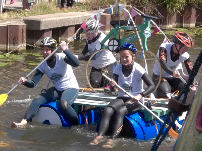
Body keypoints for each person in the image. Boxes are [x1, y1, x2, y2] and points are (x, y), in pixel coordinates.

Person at [89, 43, 155, 148]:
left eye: (126, 57)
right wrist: (112, 85)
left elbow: (152, 85)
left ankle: (112, 139)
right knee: (108, 110)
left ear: (133, 56)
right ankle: (100, 136)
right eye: (122, 57)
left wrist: (140, 95)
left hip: (135, 100)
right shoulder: (118, 68)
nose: (124, 59)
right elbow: (112, 88)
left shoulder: (138, 69)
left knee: (121, 111)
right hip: (122, 97)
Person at [11, 37, 80, 128]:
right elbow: (33, 84)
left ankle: (76, 124)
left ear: (53, 50)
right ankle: (24, 121)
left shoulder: (62, 57)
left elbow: (76, 63)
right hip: (57, 89)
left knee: (63, 103)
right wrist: (25, 82)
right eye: (42, 49)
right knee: (37, 100)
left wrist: (65, 50)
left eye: (47, 50)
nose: (44, 52)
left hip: (71, 88)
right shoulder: (43, 65)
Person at [152, 32, 194, 98]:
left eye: (187, 49)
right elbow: (163, 64)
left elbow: (191, 71)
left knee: (186, 90)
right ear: (177, 45)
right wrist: (172, 73)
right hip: (159, 77)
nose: (186, 50)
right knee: (165, 93)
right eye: (184, 48)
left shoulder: (185, 55)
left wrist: (192, 83)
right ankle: (165, 91)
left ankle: (173, 91)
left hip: (173, 78)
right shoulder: (164, 47)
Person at [78, 18, 117, 89]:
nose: (87, 35)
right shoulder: (88, 37)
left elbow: (94, 56)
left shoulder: (102, 40)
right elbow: (86, 48)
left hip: (108, 65)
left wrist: (78, 57)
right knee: (94, 85)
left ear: (96, 31)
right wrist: (80, 55)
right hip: (96, 66)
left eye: (89, 33)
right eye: (86, 33)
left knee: (109, 87)